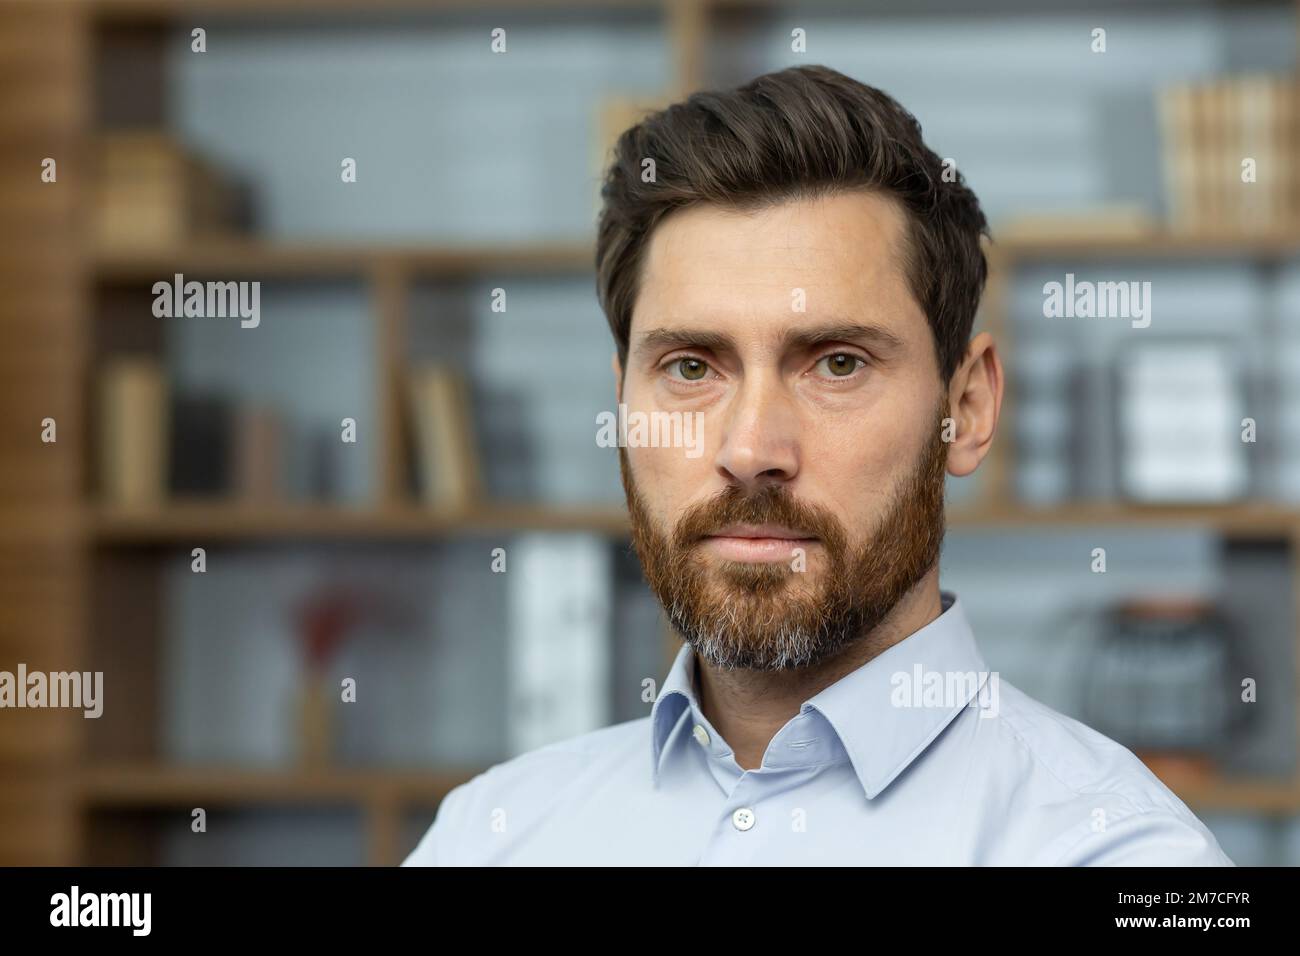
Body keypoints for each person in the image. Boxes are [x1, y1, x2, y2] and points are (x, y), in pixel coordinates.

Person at [404, 65, 1233, 866]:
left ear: (969, 409)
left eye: (836, 363)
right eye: (692, 367)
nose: (750, 452)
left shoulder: (1122, 854)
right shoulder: (486, 837)